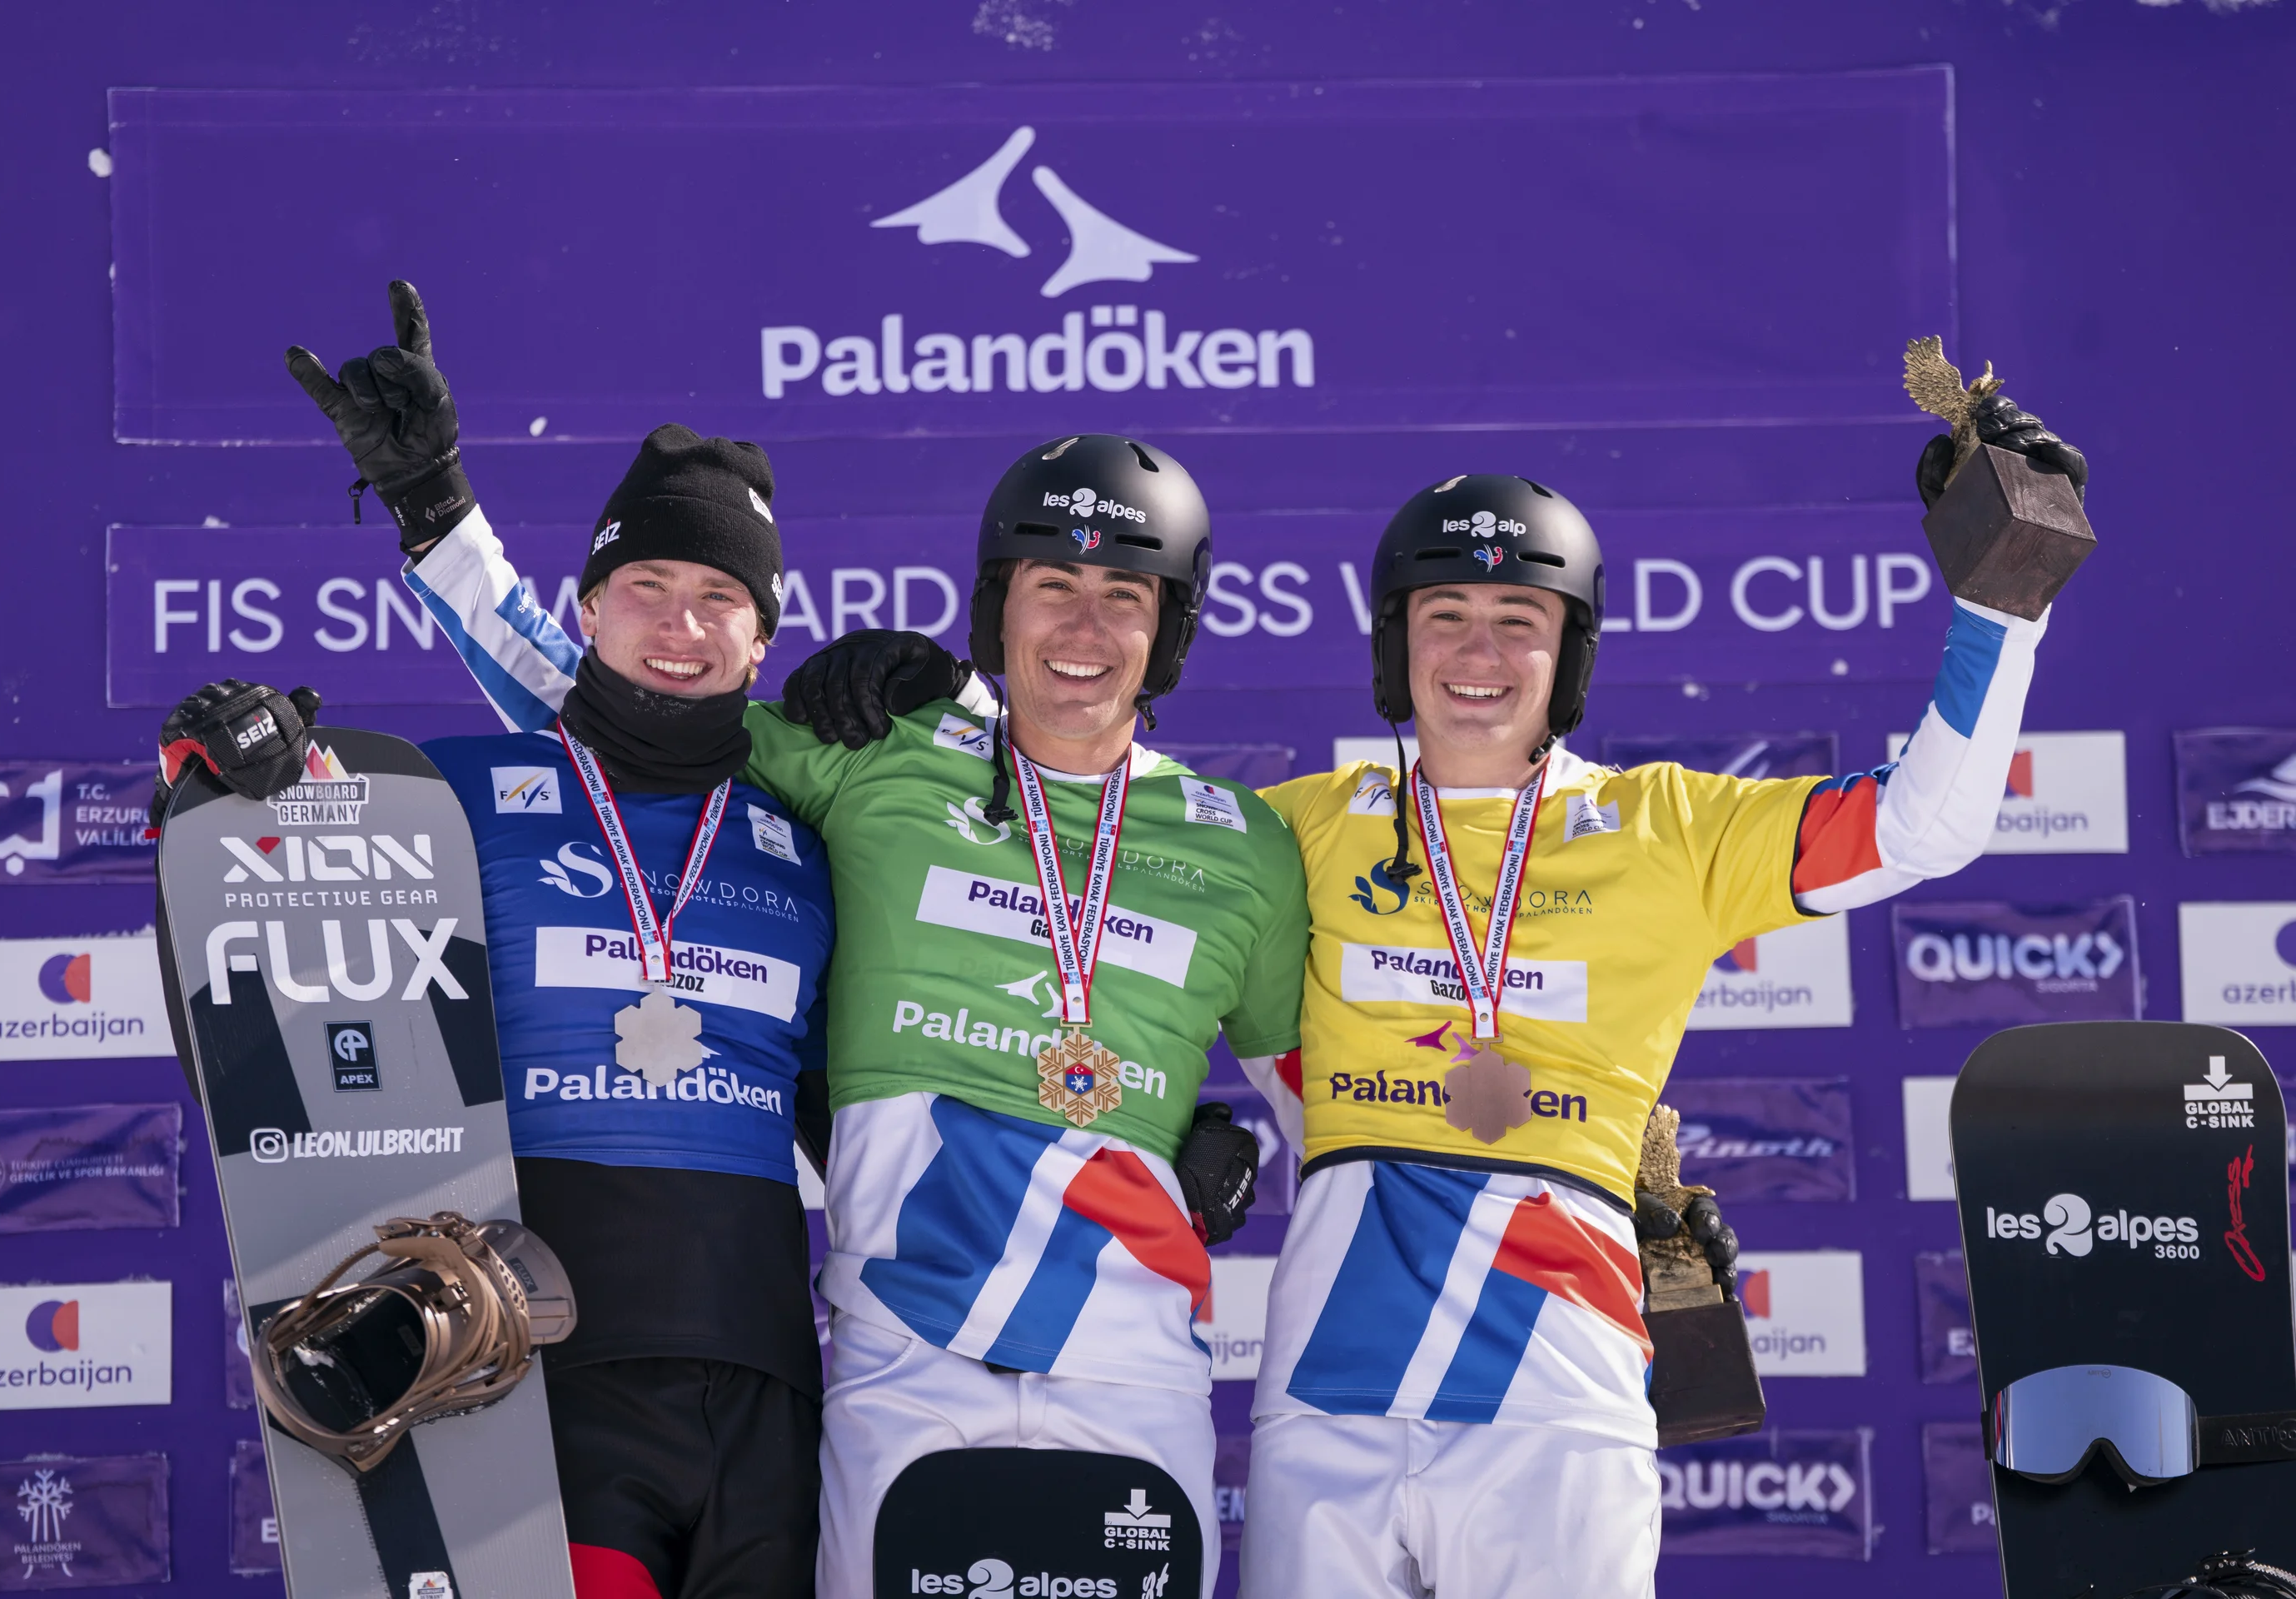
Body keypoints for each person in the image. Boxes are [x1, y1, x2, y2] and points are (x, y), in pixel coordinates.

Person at [795, 399, 2087, 1596]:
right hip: (1325, 1404)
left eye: (1518, 621)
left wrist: (1999, 603)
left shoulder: (1673, 831)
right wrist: (943, 692)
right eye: (1444, 617)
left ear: (1568, 654)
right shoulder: (1283, 836)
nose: (1479, 654)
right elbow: (1086, 795)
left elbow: (1923, 828)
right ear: (1392, 646)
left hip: (1556, 1394)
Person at [370, 296, 1298, 1594]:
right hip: (894, 1368)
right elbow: (622, 713)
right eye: (1052, 589)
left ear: (1173, 625)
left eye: (1124, 597)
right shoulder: (875, 761)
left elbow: (1352, 1074)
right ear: (997, 608)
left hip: (1128, 1365)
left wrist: (1193, 1128)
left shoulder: (1242, 841)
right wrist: (437, 517)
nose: (1085, 632)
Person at [159, 286, 855, 1599]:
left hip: (769, 1378)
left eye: (721, 598)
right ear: (586, 609)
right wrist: (217, 777)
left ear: (766, 638)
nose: (682, 623)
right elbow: (252, 967)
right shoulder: (455, 794)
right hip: (535, 1374)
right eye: (644, 586)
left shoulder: (806, 837)